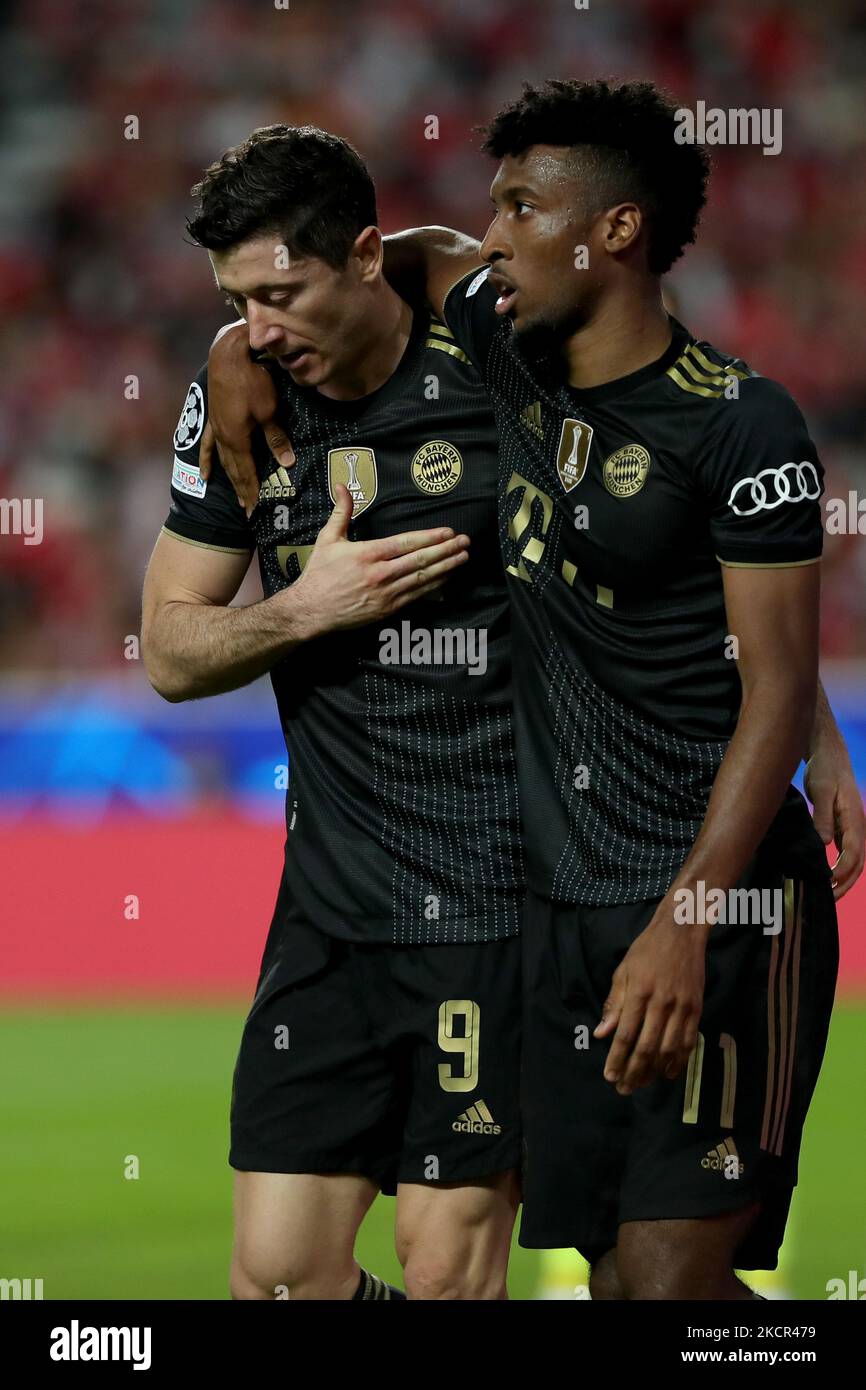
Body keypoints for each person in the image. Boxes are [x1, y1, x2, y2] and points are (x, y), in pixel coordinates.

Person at [205, 82, 865, 1300]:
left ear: (612, 231)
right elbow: (381, 257)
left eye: (519, 205)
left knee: (664, 1290)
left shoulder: (739, 422)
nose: (491, 231)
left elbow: (764, 674)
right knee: (619, 1285)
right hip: (559, 911)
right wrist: (235, 344)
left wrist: (703, 892)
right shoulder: (509, 361)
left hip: (714, 904)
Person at [141, 125, 523, 1301]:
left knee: (447, 1277)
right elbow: (167, 647)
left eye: (281, 292)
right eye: (235, 300)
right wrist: (303, 610)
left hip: (497, 893)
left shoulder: (500, 356)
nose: (259, 328)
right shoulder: (247, 395)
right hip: (329, 910)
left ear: (365, 256)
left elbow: (683, 522)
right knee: (278, 1276)